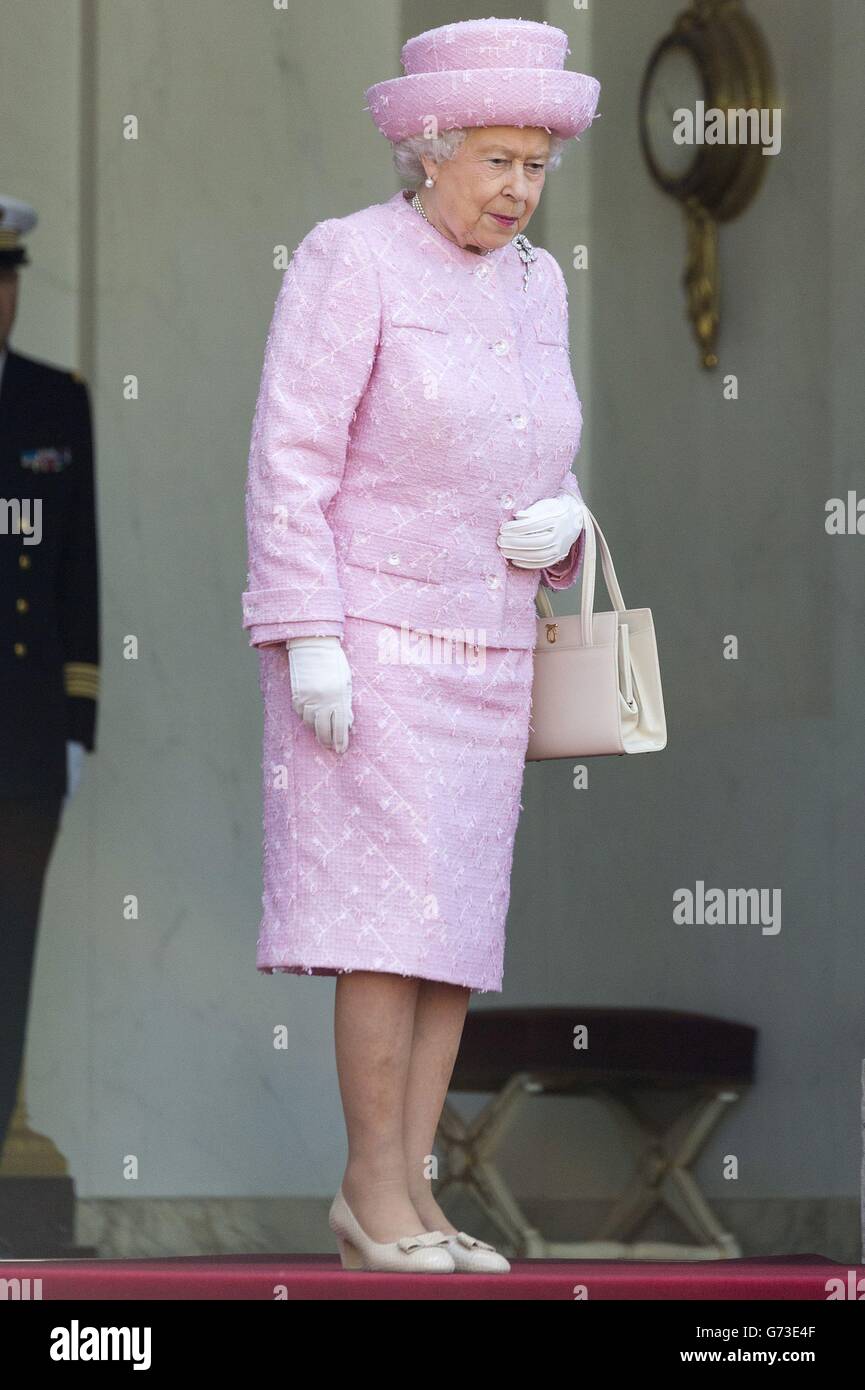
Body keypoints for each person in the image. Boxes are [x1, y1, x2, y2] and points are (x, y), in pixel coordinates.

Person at [241, 17, 600, 1274]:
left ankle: (415, 1196)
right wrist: (310, 638)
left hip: (489, 655)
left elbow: (537, 453)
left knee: (450, 943)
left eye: (536, 164)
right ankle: (365, 1190)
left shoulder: (537, 285)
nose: (517, 188)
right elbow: (291, 459)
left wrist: (569, 523)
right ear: (428, 151)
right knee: (386, 928)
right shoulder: (353, 261)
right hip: (374, 647)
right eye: (496, 159)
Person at [0, 194, 100, 1163]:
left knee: (10, 953)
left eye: (6, 277)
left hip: (24, 737)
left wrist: (77, 723)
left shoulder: (52, 401)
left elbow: (79, 568)